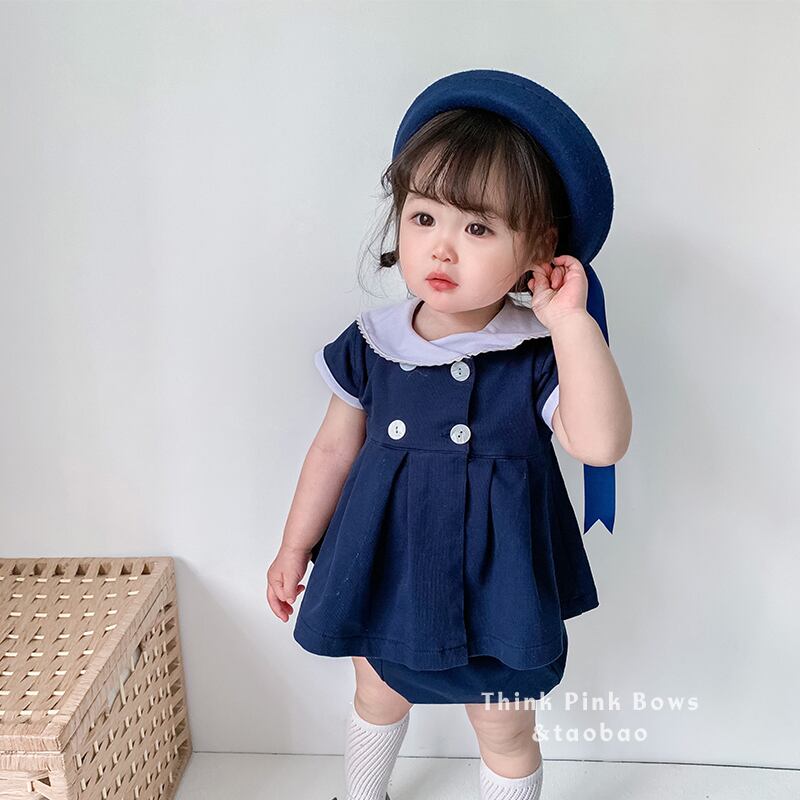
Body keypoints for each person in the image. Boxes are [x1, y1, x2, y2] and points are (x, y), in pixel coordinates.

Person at [266, 69, 632, 800]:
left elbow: (599, 444)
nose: (441, 248)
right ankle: (362, 794)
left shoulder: (535, 354)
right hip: (386, 564)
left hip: (500, 581)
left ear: (538, 248)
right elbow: (333, 450)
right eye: (424, 217)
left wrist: (569, 324)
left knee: (503, 726)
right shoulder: (373, 344)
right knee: (377, 692)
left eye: (478, 229)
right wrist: (294, 545)